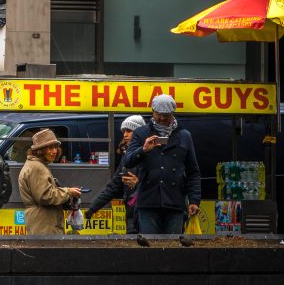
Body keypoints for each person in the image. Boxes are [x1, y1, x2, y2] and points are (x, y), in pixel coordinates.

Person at [123, 94, 201, 235]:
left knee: (173, 248)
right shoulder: (141, 133)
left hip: (175, 202)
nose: (163, 118)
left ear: (173, 113)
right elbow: (127, 161)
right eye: (159, 114)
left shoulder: (184, 136)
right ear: (152, 111)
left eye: (167, 115)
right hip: (148, 202)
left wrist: (194, 200)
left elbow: (193, 172)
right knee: (150, 248)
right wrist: (143, 149)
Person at [86, 114, 145, 233]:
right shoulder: (127, 157)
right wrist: (93, 208)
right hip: (131, 214)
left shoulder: (151, 153)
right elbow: (114, 185)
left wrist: (138, 184)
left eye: (129, 131)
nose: (125, 135)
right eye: (124, 131)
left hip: (147, 214)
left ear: (140, 133)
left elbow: (162, 184)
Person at [17, 129, 82, 235]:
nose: (55, 151)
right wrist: (68, 192)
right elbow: (45, 196)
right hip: (44, 222)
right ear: (40, 150)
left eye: (56, 147)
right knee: (48, 251)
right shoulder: (37, 167)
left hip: (42, 220)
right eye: (50, 148)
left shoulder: (36, 165)